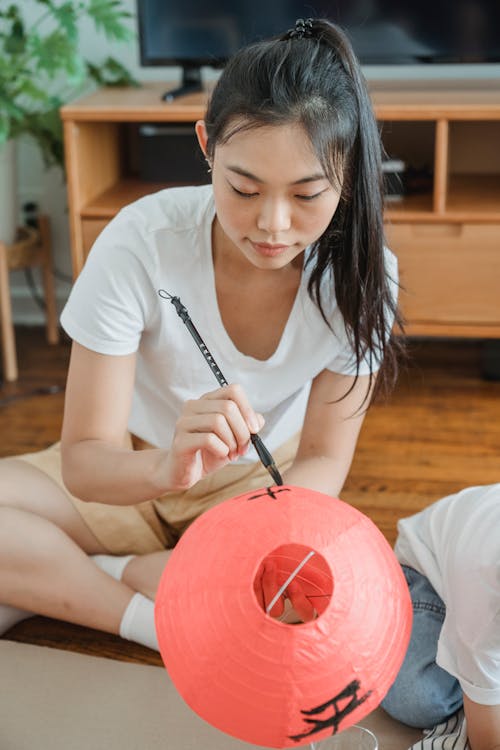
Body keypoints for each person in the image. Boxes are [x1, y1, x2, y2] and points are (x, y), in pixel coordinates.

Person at [0, 18, 403, 648]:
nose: (272, 224)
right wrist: (168, 466)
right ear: (206, 147)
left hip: (262, 489)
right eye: (243, 189)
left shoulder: (361, 275)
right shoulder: (140, 242)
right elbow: (84, 461)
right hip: (131, 472)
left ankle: (72, 583)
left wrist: (237, 539)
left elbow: (324, 457)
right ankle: (143, 609)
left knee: (327, 608)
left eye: (307, 194)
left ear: (348, 174)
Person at [381, 484, 500, 750]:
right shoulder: (486, 598)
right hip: (425, 574)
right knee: (421, 698)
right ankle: (374, 621)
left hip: (466, 548)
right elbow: (488, 743)